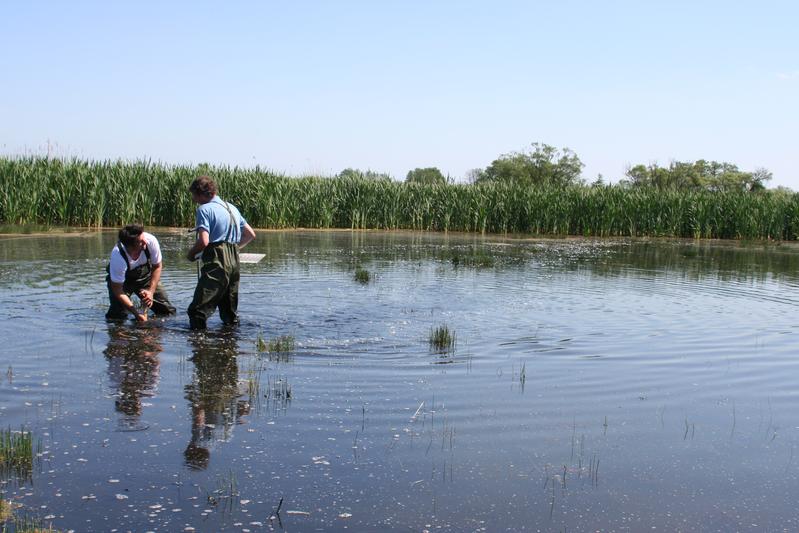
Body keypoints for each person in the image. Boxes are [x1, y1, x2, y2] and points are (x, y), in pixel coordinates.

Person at [186, 176, 256, 330]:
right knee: (229, 312)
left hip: (217, 260)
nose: (194, 199)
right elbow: (250, 234)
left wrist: (191, 254)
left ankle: (200, 349)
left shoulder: (204, 209)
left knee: (197, 310)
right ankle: (230, 344)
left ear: (200, 193)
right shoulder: (231, 208)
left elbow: (204, 241)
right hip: (234, 260)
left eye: (194, 196)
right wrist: (235, 249)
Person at [106, 224, 176, 321]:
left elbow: (157, 266)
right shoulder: (118, 255)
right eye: (141, 241)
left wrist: (150, 292)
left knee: (166, 310)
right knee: (117, 315)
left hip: (145, 277)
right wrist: (136, 312)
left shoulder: (151, 241)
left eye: (143, 237)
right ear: (131, 246)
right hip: (123, 283)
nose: (145, 241)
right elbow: (117, 289)